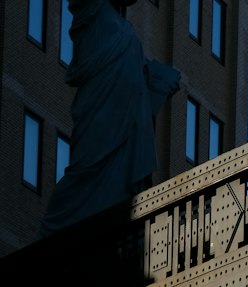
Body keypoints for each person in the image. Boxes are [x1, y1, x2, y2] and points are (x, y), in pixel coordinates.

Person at [39, 0, 182, 239]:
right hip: (101, 116)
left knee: (114, 186)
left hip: (127, 125)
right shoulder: (94, 10)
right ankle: (49, 237)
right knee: (87, 171)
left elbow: (134, 81)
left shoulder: (121, 27)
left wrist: (157, 81)